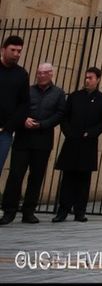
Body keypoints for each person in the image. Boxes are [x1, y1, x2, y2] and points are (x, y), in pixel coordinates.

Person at [0, 62, 66, 225]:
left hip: (43, 140)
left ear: (51, 74)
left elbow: (60, 113)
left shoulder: (59, 93)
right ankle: (9, 211)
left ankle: (29, 211)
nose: (41, 76)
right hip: (23, 137)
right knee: (15, 175)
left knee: (36, 177)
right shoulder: (28, 91)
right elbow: (18, 107)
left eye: (45, 73)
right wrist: (24, 120)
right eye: (39, 73)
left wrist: (43, 124)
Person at [52, 66, 102, 223]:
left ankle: (80, 211)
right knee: (68, 178)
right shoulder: (74, 96)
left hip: (88, 143)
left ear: (98, 80)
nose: (87, 80)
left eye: (90, 78)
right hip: (72, 141)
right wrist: (69, 132)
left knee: (84, 179)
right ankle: (62, 211)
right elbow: (64, 117)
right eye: (86, 77)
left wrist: (91, 133)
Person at [0, 35, 31, 178]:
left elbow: (24, 104)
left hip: (4, 133)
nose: (16, 54)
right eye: (13, 50)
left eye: (19, 51)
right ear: (3, 50)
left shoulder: (22, 74)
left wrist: (8, 126)